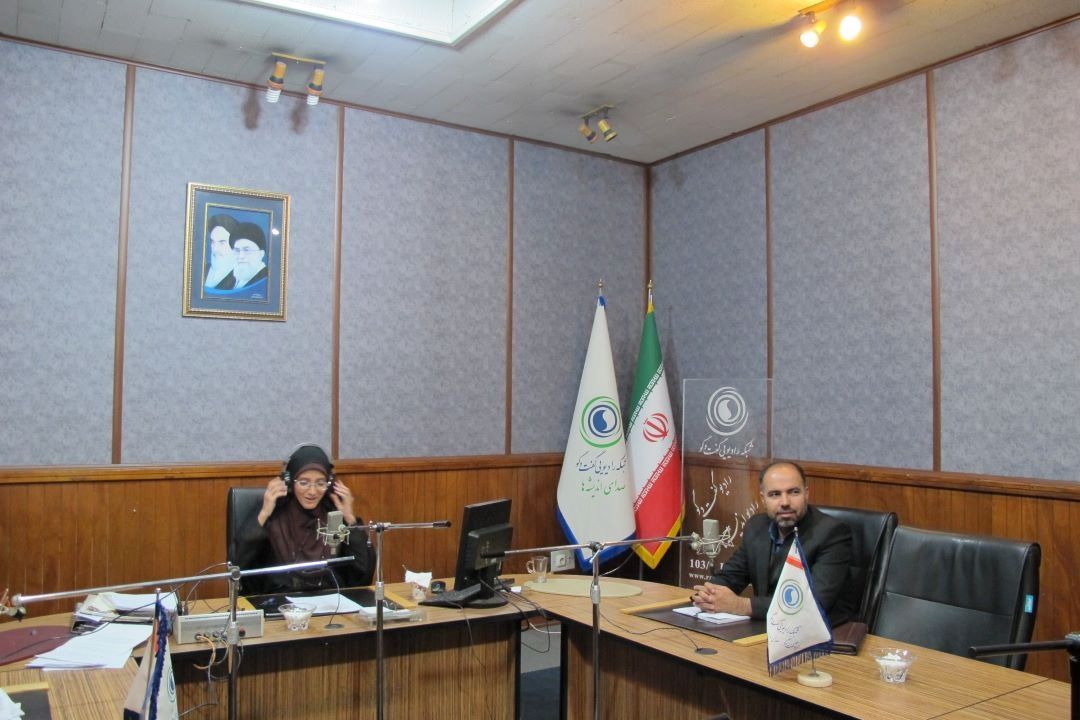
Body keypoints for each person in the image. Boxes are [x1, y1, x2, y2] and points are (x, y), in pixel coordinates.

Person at [691, 460, 856, 626]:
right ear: (763, 498)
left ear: (806, 494)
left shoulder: (832, 533)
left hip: (821, 631)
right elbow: (731, 575)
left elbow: (813, 603)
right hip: (767, 626)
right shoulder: (756, 526)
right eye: (775, 494)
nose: (785, 502)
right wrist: (708, 594)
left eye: (793, 492)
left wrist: (741, 605)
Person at [236, 444, 373, 594]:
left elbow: (363, 574)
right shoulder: (273, 514)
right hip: (279, 600)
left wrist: (350, 519)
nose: (312, 491)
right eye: (304, 483)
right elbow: (236, 564)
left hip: (330, 600)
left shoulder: (333, 515)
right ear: (289, 481)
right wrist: (263, 514)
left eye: (320, 483)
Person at [203, 214, 239, 290]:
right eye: (213, 241)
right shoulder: (203, 269)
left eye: (222, 242)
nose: (215, 248)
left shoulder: (239, 280)